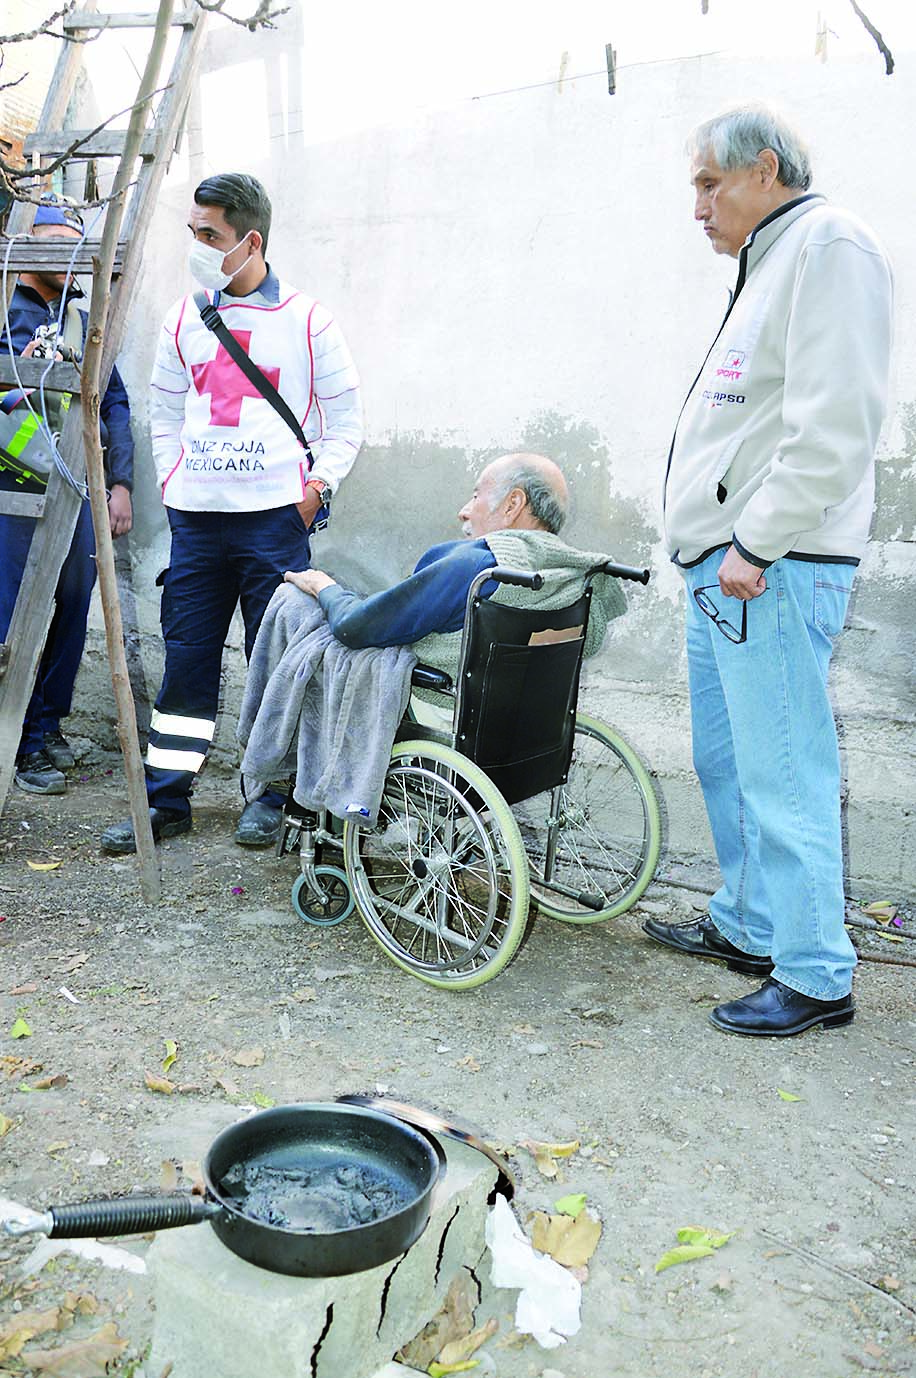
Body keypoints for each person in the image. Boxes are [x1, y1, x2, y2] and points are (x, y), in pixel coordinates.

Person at [645, 105, 893, 1037]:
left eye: (711, 184)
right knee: (729, 760)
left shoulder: (828, 246)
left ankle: (817, 974)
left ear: (764, 168)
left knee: (783, 769)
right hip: (731, 566)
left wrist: (756, 542)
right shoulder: (775, 256)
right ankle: (753, 923)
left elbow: (836, 425)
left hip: (769, 567)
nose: (698, 206)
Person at [101, 173, 362, 855]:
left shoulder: (308, 322)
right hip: (196, 524)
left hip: (274, 524)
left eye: (208, 235)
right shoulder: (183, 317)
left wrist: (314, 492)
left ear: (249, 242)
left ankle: (269, 799)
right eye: (192, 233)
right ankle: (167, 803)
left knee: (274, 664)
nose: (197, 246)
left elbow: (346, 423)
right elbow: (163, 408)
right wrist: (176, 478)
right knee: (186, 661)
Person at [0, 194, 134, 795]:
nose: (68, 254)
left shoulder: (82, 316)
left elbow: (115, 401)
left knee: (72, 603)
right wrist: (15, 377)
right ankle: (17, 745)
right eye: (53, 240)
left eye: (74, 242)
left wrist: (119, 483)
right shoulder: (4, 309)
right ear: (24, 245)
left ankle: (45, 725)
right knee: (12, 615)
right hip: (12, 488)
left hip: (74, 485)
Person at [282, 453, 623, 659]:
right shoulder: (572, 576)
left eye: (476, 496)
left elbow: (354, 628)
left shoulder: (480, 566)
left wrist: (321, 584)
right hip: (525, 725)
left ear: (513, 504)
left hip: (447, 713)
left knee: (294, 604)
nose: (463, 512)